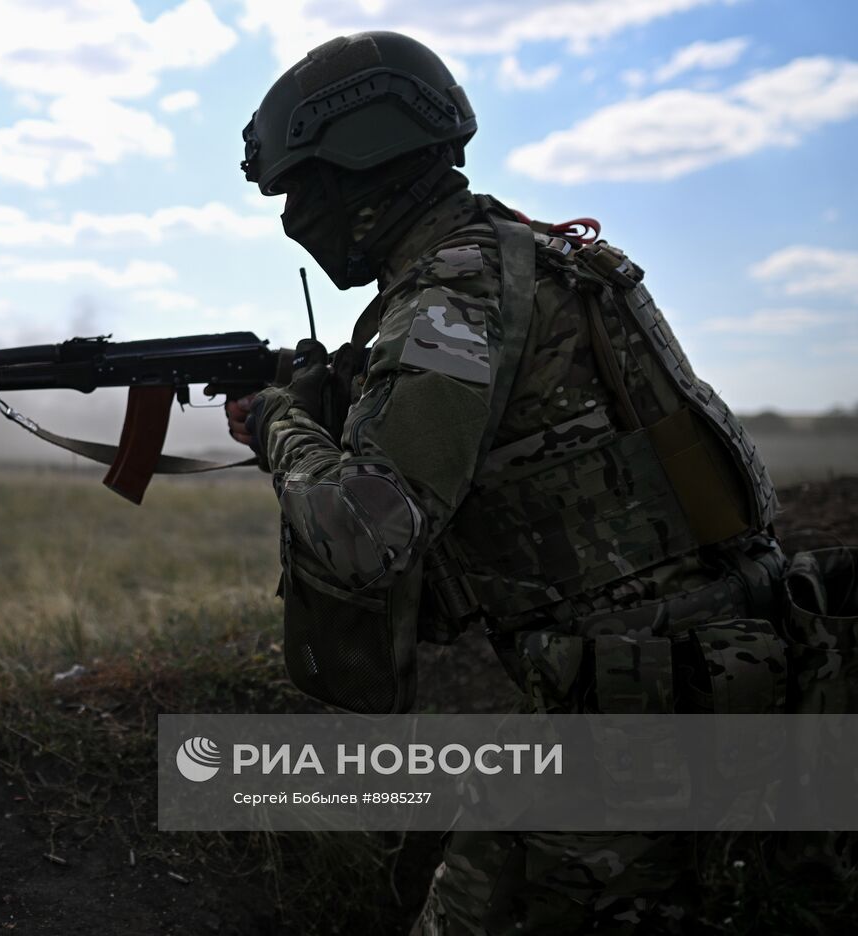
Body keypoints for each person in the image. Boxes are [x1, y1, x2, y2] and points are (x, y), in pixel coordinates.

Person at [228, 30, 788, 934]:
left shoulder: (455, 292)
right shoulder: (532, 258)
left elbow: (366, 534)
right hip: (731, 677)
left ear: (361, 167)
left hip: (637, 717)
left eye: (301, 188)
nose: (294, 218)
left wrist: (279, 423)